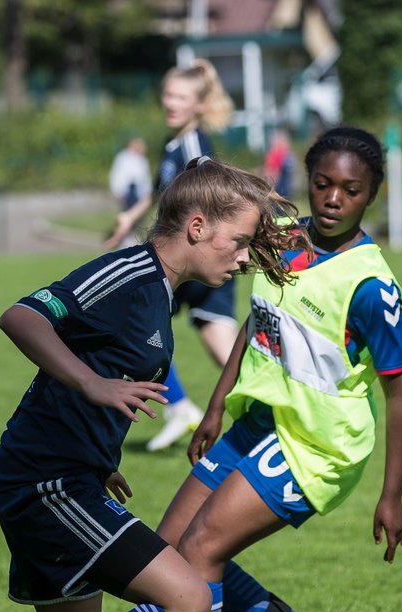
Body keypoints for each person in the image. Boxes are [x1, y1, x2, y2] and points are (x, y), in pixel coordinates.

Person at [0, 158, 302, 612]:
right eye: (240, 242)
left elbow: (100, 357)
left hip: (64, 475)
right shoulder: (126, 271)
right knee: (188, 598)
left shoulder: (159, 291)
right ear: (197, 226)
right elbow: (22, 316)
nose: (246, 258)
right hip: (46, 483)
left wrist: (99, 455)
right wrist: (90, 385)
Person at [121, 126, 402, 612]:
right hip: (258, 423)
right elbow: (259, 328)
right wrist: (214, 407)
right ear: (307, 181)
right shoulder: (280, 240)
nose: (334, 198)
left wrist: (392, 494)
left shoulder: (370, 284)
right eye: (324, 184)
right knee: (169, 554)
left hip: (317, 446)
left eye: (351, 190)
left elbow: (400, 393)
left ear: (372, 196)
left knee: (201, 550)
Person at [105, 59, 239, 453]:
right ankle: (188, 407)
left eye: (181, 97)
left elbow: (217, 194)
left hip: (197, 261)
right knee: (218, 349)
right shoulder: (173, 143)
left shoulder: (195, 145)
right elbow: (161, 190)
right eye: (168, 94)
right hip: (186, 260)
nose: (171, 102)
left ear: (199, 105)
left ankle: (186, 407)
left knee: (137, 324)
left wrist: (223, 245)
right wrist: (129, 217)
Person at [107, 136, 153, 249]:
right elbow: (117, 176)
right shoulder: (123, 158)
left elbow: (145, 180)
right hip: (127, 193)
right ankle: (121, 241)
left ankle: (131, 241)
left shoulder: (142, 160)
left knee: (136, 221)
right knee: (127, 218)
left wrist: (147, 196)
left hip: (139, 195)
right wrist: (118, 192)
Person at [261, 127, 297, 201]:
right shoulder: (289, 155)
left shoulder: (276, 154)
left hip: (278, 191)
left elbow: (271, 173)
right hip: (287, 192)